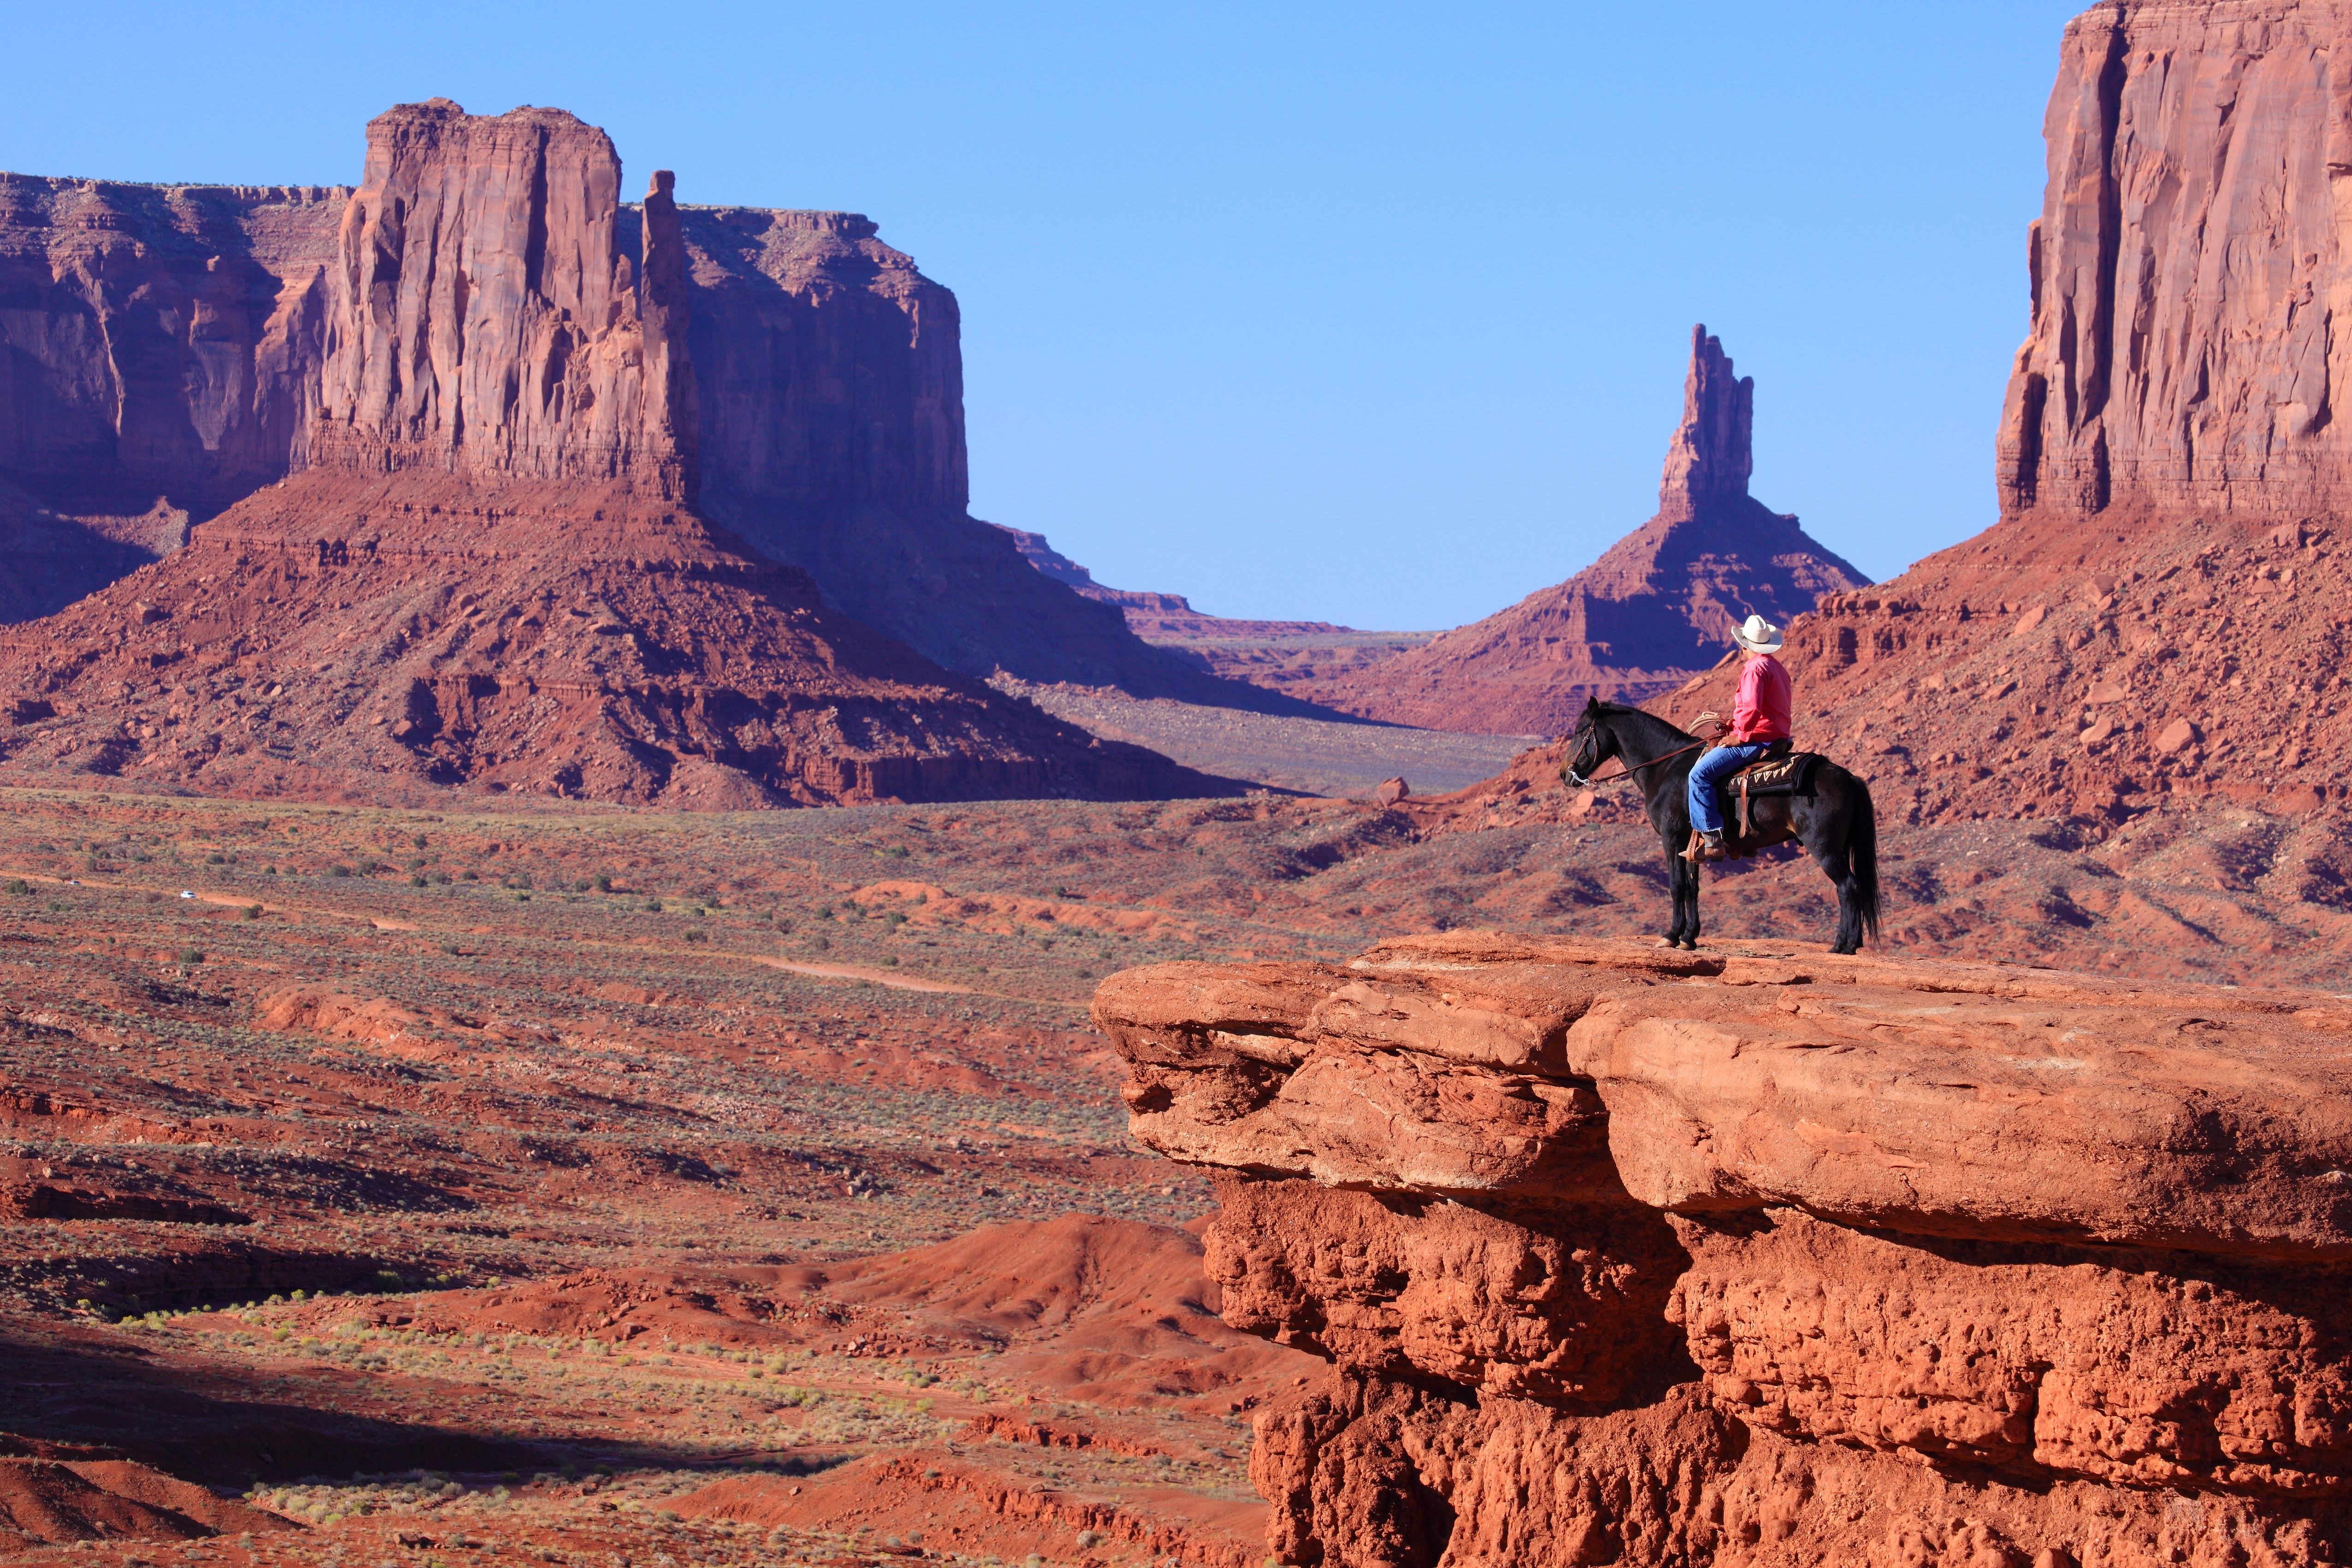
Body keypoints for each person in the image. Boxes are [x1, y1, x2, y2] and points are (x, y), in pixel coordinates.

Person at [1683, 614, 1791, 862]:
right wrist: (1734, 724)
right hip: (1777, 737)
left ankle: (1712, 838)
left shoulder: (1754, 669)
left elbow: (1752, 709)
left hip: (1756, 740)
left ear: (1744, 646)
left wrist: (1739, 736)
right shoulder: (1777, 667)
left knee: (1699, 776)